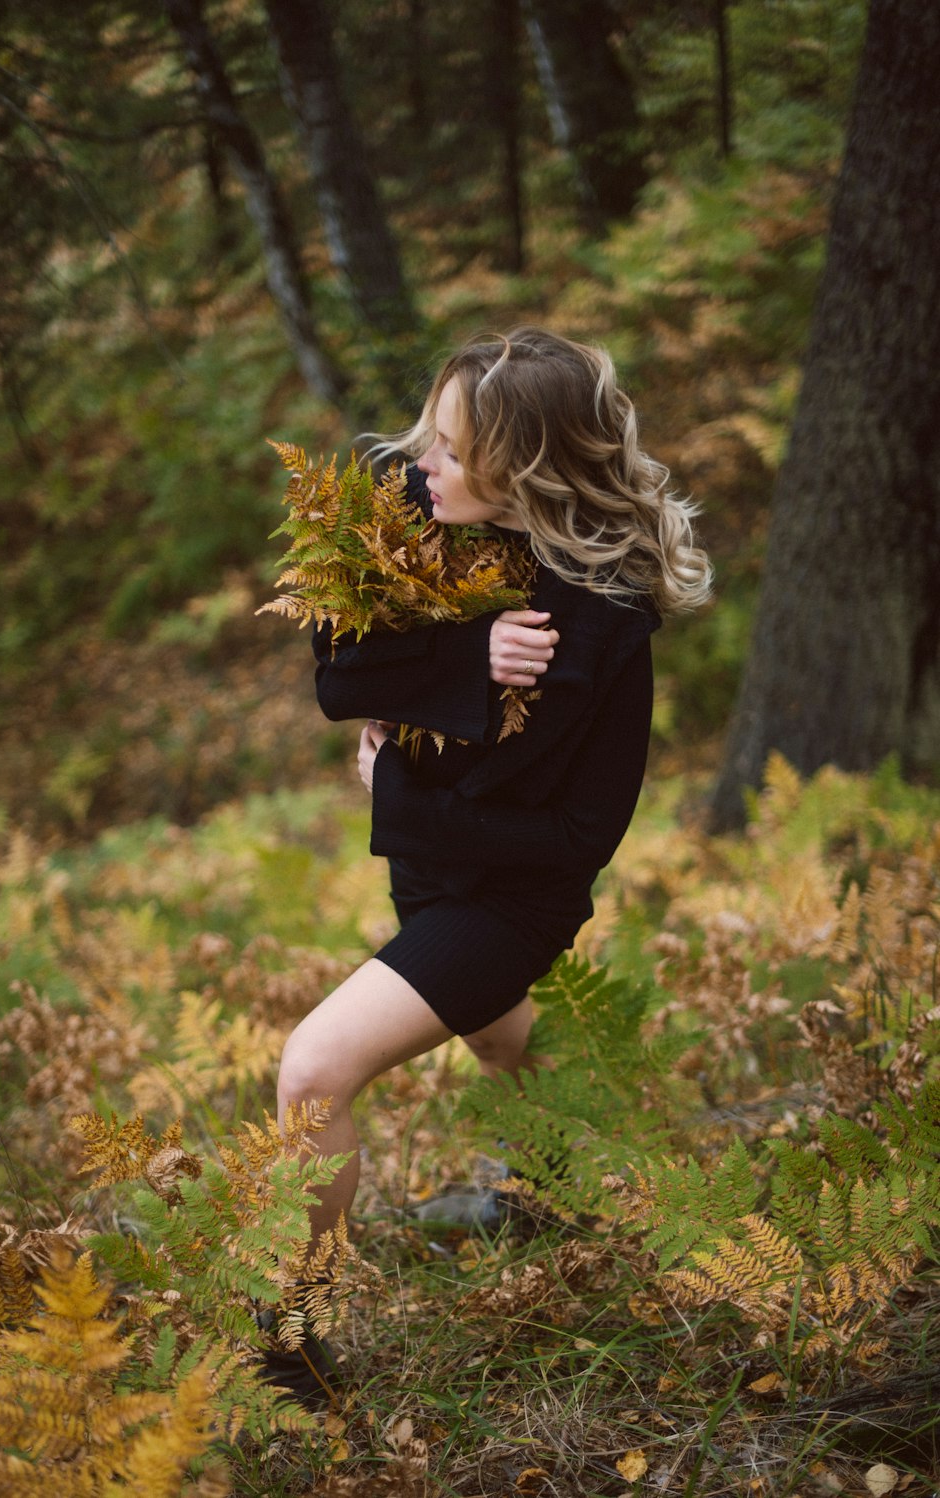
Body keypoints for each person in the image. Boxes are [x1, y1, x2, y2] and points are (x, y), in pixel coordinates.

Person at [265, 326, 712, 1404]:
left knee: (314, 1071)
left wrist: (396, 796)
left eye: (455, 450)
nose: (424, 463)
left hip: (514, 893)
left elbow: (576, 842)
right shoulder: (422, 514)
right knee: (507, 1043)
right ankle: (573, 1185)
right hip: (427, 863)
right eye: (433, 436)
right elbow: (338, 677)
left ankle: (292, 1342)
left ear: (527, 471)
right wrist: (468, 654)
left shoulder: (603, 622)